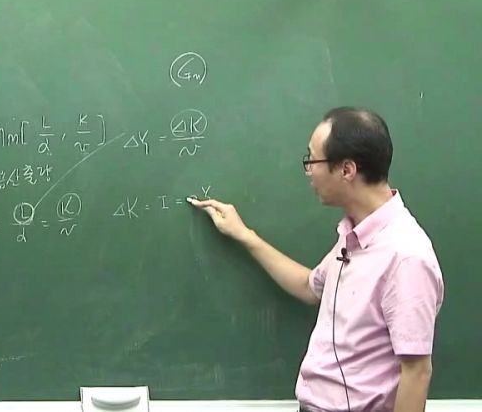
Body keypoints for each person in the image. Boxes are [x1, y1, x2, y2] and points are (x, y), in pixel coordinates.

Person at [188, 107, 444, 412]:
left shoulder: (405, 256)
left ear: (347, 170)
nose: (308, 170)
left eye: (312, 159)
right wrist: (244, 235)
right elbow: (310, 286)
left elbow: (417, 371)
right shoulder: (354, 236)